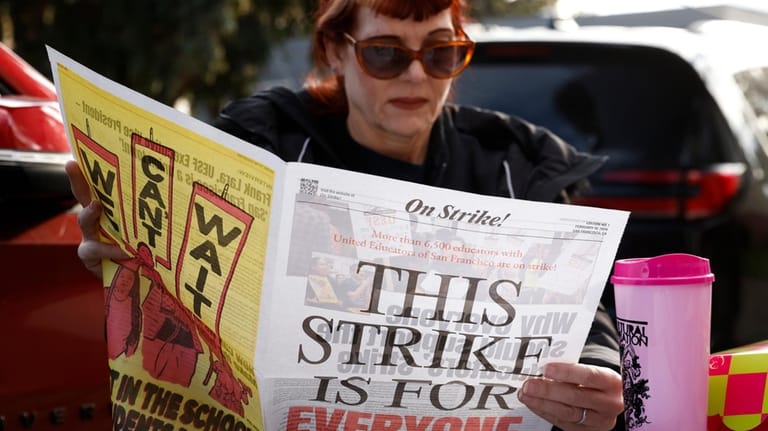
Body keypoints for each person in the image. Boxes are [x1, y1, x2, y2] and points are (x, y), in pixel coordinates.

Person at [65, 0, 625, 429]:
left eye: (440, 53)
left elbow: (581, 315)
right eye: (385, 53)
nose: (416, 77)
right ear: (335, 50)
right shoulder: (265, 145)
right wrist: (119, 256)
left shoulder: (513, 163)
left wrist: (599, 374)